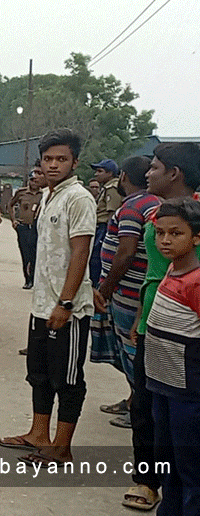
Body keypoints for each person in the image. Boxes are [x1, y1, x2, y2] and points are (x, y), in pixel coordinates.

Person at [0, 130, 95, 465]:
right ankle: (38, 433)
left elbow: (80, 252)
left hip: (67, 308)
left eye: (61, 159)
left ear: (74, 162)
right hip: (42, 304)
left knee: (66, 378)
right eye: (48, 159)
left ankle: (61, 446)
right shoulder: (50, 195)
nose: (53, 165)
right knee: (38, 372)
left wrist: (66, 302)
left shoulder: (78, 198)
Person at [121, 142, 200, 512]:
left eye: (154, 167)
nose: (147, 173)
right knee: (149, 411)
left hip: (186, 344)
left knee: (184, 440)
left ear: (174, 174)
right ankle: (152, 481)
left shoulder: (193, 221)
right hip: (157, 322)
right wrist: (142, 316)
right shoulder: (161, 217)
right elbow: (155, 275)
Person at [93, 156, 161, 431]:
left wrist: (105, 289)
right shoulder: (150, 204)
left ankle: (140, 410)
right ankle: (134, 399)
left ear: (122, 177)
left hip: (129, 293)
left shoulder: (134, 206)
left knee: (132, 353)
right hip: (132, 291)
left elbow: (126, 252)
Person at [144, 199, 200, 516]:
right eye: (160, 233)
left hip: (187, 390)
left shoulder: (196, 281)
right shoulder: (171, 269)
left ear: (196, 237)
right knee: (169, 460)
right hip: (161, 383)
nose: (165, 240)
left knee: (190, 466)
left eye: (176, 233)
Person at [10, 167, 44, 289]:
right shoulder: (21, 192)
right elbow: (10, 204)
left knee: (36, 255)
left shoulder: (44, 194)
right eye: (32, 180)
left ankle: (35, 279)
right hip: (23, 227)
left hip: (37, 228)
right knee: (26, 254)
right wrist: (13, 220)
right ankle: (28, 280)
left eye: (36, 180)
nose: (34, 182)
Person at [90, 158, 123, 286]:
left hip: (105, 228)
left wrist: (110, 235)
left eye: (100, 171)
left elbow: (112, 213)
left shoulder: (112, 188)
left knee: (97, 261)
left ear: (110, 173)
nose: (96, 174)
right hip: (100, 227)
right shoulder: (107, 187)